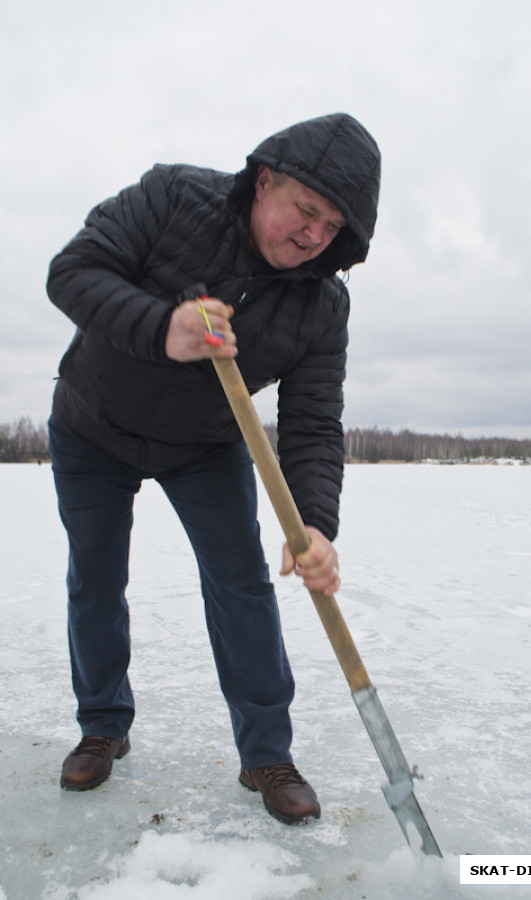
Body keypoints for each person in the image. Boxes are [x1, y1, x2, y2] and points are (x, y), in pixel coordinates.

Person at [47, 112, 381, 825]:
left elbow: (314, 421)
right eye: (306, 209)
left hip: (205, 444)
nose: (314, 234)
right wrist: (162, 327)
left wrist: (317, 525)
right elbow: (72, 272)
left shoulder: (323, 304)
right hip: (92, 425)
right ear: (265, 182)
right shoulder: (172, 198)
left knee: (242, 588)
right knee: (97, 576)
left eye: (332, 227)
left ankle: (267, 753)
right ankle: (102, 725)